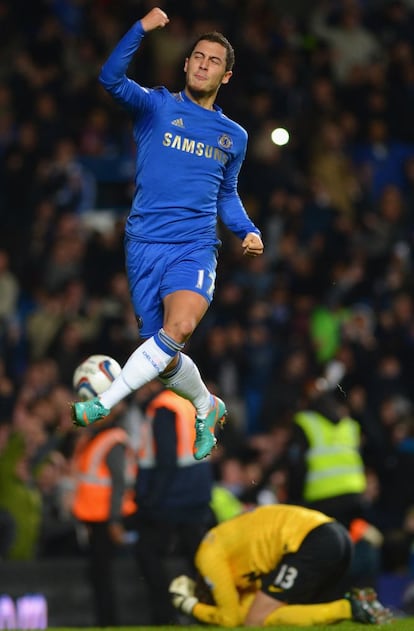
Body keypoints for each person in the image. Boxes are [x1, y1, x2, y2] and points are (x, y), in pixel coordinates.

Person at [70, 6, 264, 461]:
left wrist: (246, 229)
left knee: (178, 328)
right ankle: (205, 404)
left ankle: (105, 401)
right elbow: (110, 79)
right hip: (142, 245)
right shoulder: (157, 105)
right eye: (196, 56)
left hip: (194, 247)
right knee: (164, 358)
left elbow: (227, 194)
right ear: (185, 63)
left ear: (227, 76)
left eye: (213, 60)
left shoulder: (232, 136)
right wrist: (140, 28)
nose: (202, 63)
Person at [168, 504, 393, 627]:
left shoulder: (208, 558)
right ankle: (360, 606)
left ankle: (351, 607)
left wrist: (189, 606)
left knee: (255, 620)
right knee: (273, 611)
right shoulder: (229, 555)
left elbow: (231, 619)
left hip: (311, 541)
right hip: (332, 534)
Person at [132, 379, 216, 624]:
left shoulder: (163, 408)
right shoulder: (186, 400)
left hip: (172, 497)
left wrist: (149, 501)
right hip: (196, 492)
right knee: (198, 559)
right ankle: (212, 611)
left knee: (146, 551)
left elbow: (166, 460)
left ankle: (165, 616)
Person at [71, 401, 138, 626]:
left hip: (107, 519)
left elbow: (119, 483)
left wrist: (115, 521)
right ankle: (106, 622)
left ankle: (110, 623)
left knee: (105, 575)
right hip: (95, 518)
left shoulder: (113, 439)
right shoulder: (97, 438)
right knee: (99, 575)